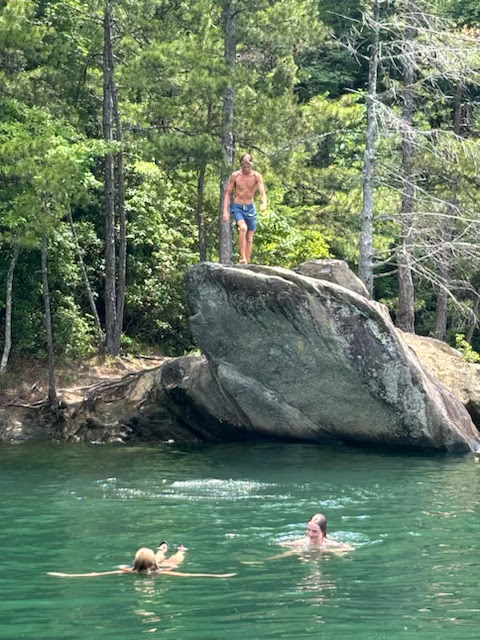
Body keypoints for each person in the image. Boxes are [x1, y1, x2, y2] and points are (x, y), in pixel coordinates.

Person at [47, 545, 236, 578]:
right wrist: (218, 575)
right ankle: (178, 550)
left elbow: (95, 574)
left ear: (135, 561)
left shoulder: (129, 571)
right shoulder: (160, 572)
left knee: (171, 560)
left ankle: (165, 549)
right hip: (159, 567)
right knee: (174, 561)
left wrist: (66, 574)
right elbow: (189, 575)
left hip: (156, 566)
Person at [222, 152, 267, 264]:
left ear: (252, 163)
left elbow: (262, 192)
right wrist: (225, 211)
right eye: (244, 163)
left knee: (250, 238)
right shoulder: (236, 175)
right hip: (238, 206)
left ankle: (247, 261)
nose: (246, 166)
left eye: (248, 163)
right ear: (241, 163)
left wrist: (264, 203)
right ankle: (242, 257)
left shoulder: (256, 176)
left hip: (250, 207)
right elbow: (228, 193)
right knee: (243, 228)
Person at [288, 513, 354, 553]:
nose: (310, 534)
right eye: (309, 530)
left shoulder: (330, 545)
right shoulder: (300, 543)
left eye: (314, 531)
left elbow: (350, 549)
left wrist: (332, 551)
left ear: (323, 532)